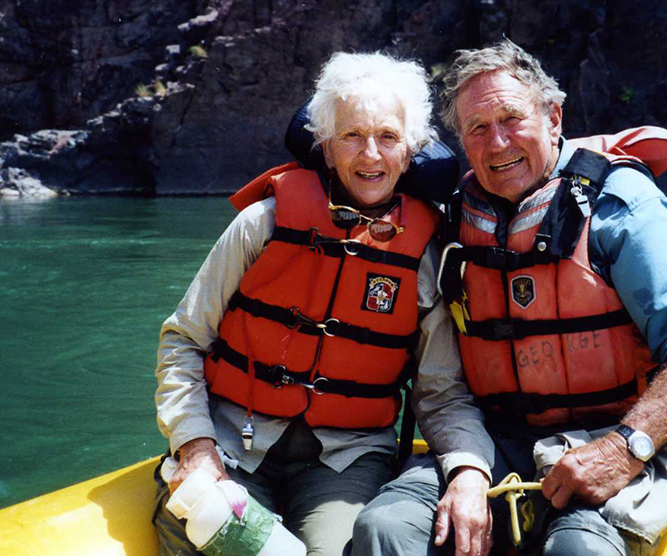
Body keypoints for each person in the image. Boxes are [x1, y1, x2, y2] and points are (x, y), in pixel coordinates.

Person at [352, 40, 667, 556]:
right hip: (486, 443)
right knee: (385, 528)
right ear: (462, 143)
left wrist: (627, 447)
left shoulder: (621, 205)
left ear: (553, 116)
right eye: (478, 128)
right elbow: (440, 382)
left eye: (512, 119)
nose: (497, 143)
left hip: (612, 443)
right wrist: (466, 468)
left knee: (580, 551)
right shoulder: (447, 223)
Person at [152, 51, 481, 556]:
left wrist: (467, 469)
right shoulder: (261, 225)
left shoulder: (424, 258)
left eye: (388, 137)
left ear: (410, 150)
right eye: (351, 136)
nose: (370, 155)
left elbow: (440, 392)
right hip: (230, 445)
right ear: (326, 149)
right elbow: (183, 341)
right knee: (206, 527)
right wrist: (195, 448)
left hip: (345, 460)